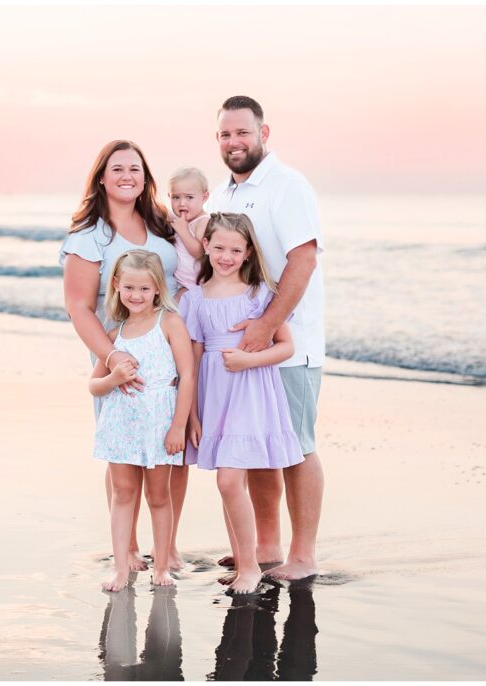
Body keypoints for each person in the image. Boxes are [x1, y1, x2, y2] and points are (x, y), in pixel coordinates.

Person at [209, 96, 326, 581]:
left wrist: (264, 325)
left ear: (264, 133)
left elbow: (303, 262)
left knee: (296, 444)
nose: (234, 142)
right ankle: (266, 545)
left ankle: (303, 555)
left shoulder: (287, 186)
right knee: (258, 444)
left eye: (242, 133)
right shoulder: (222, 194)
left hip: (289, 343)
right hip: (243, 348)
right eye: (225, 135)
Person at [60, 140, 190, 571]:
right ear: (101, 177)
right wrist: (113, 357)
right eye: (117, 169)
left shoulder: (162, 222)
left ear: (145, 177)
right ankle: (128, 548)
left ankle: (166, 549)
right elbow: (79, 307)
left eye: (135, 168)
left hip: (170, 347)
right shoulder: (89, 236)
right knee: (124, 449)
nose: (126, 176)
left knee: (172, 449)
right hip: (119, 350)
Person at [180, 213, 303, 594]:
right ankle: (241, 559)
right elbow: (193, 359)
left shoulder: (260, 294)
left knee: (229, 479)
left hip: (251, 390)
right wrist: (192, 414)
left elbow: (286, 347)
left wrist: (248, 359)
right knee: (228, 484)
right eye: (219, 247)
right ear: (206, 247)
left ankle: (250, 567)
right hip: (214, 393)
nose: (226, 256)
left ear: (248, 252)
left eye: (236, 249)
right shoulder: (196, 299)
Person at [90, 250, 194, 591]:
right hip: (121, 422)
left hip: (159, 422)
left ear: (157, 289)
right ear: (117, 286)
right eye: (129, 288)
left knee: (159, 496)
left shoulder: (169, 322)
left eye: (145, 290)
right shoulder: (114, 332)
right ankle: (121, 568)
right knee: (122, 492)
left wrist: (179, 424)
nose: (136, 296)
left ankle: (161, 566)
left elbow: (188, 375)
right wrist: (114, 377)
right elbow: (95, 385)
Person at [167, 166, 210, 301]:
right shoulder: (181, 220)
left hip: (196, 284)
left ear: (204, 197)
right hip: (180, 283)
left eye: (189, 197)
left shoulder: (203, 221)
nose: (182, 203)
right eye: (176, 197)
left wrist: (184, 231)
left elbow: (200, 252)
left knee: (174, 311)